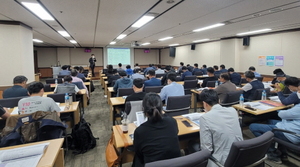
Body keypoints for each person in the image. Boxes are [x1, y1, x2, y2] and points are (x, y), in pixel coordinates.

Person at [133, 93, 181, 167]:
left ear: (144, 110)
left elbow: (138, 153)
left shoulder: (140, 131)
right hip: (175, 163)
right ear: (162, 108)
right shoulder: (172, 121)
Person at [197, 89, 243, 167]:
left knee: (192, 146)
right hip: (240, 155)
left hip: (222, 161)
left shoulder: (205, 118)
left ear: (205, 104)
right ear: (219, 100)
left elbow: (206, 149)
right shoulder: (232, 110)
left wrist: (208, 114)